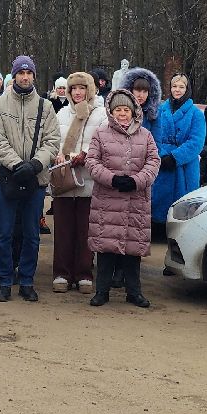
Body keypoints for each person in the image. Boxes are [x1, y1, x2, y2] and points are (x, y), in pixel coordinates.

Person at [0, 55, 62, 302]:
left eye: (29, 73)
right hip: (5, 177)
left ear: (34, 76)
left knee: (31, 233)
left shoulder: (46, 106)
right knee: (4, 233)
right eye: (21, 73)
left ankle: (27, 280)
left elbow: (52, 140)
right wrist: (16, 164)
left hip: (35, 179)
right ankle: (5, 280)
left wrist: (36, 164)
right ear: (14, 75)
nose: (25, 77)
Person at [85, 87, 162, 307]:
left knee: (132, 250)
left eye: (126, 110)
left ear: (134, 111)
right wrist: (112, 179)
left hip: (136, 200)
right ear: (111, 111)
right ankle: (102, 292)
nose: (122, 114)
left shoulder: (146, 135)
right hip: (107, 201)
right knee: (106, 248)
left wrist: (136, 181)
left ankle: (134, 292)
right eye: (118, 109)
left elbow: (153, 162)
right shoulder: (101, 133)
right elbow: (92, 162)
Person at [51, 72, 106, 292]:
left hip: (88, 179)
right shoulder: (62, 113)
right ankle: (61, 274)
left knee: (86, 230)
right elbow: (53, 139)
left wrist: (84, 154)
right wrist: (59, 154)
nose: (77, 92)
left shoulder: (101, 114)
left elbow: (102, 141)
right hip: (65, 178)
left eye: (82, 88)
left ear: (89, 90)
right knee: (63, 229)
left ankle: (84, 274)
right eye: (74, 89)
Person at [151, 73, 206, 226]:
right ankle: (157, 227)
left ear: (187, 89)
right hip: (161, 161)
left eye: (181, 86)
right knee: (158, 200)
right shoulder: (160, 110)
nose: (177, 90)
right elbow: (152, 135)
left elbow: (196, 142)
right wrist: (158, 155)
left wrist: (175, 157)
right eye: (174, 86)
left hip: (184, 165)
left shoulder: (196, 114)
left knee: (181, 204)